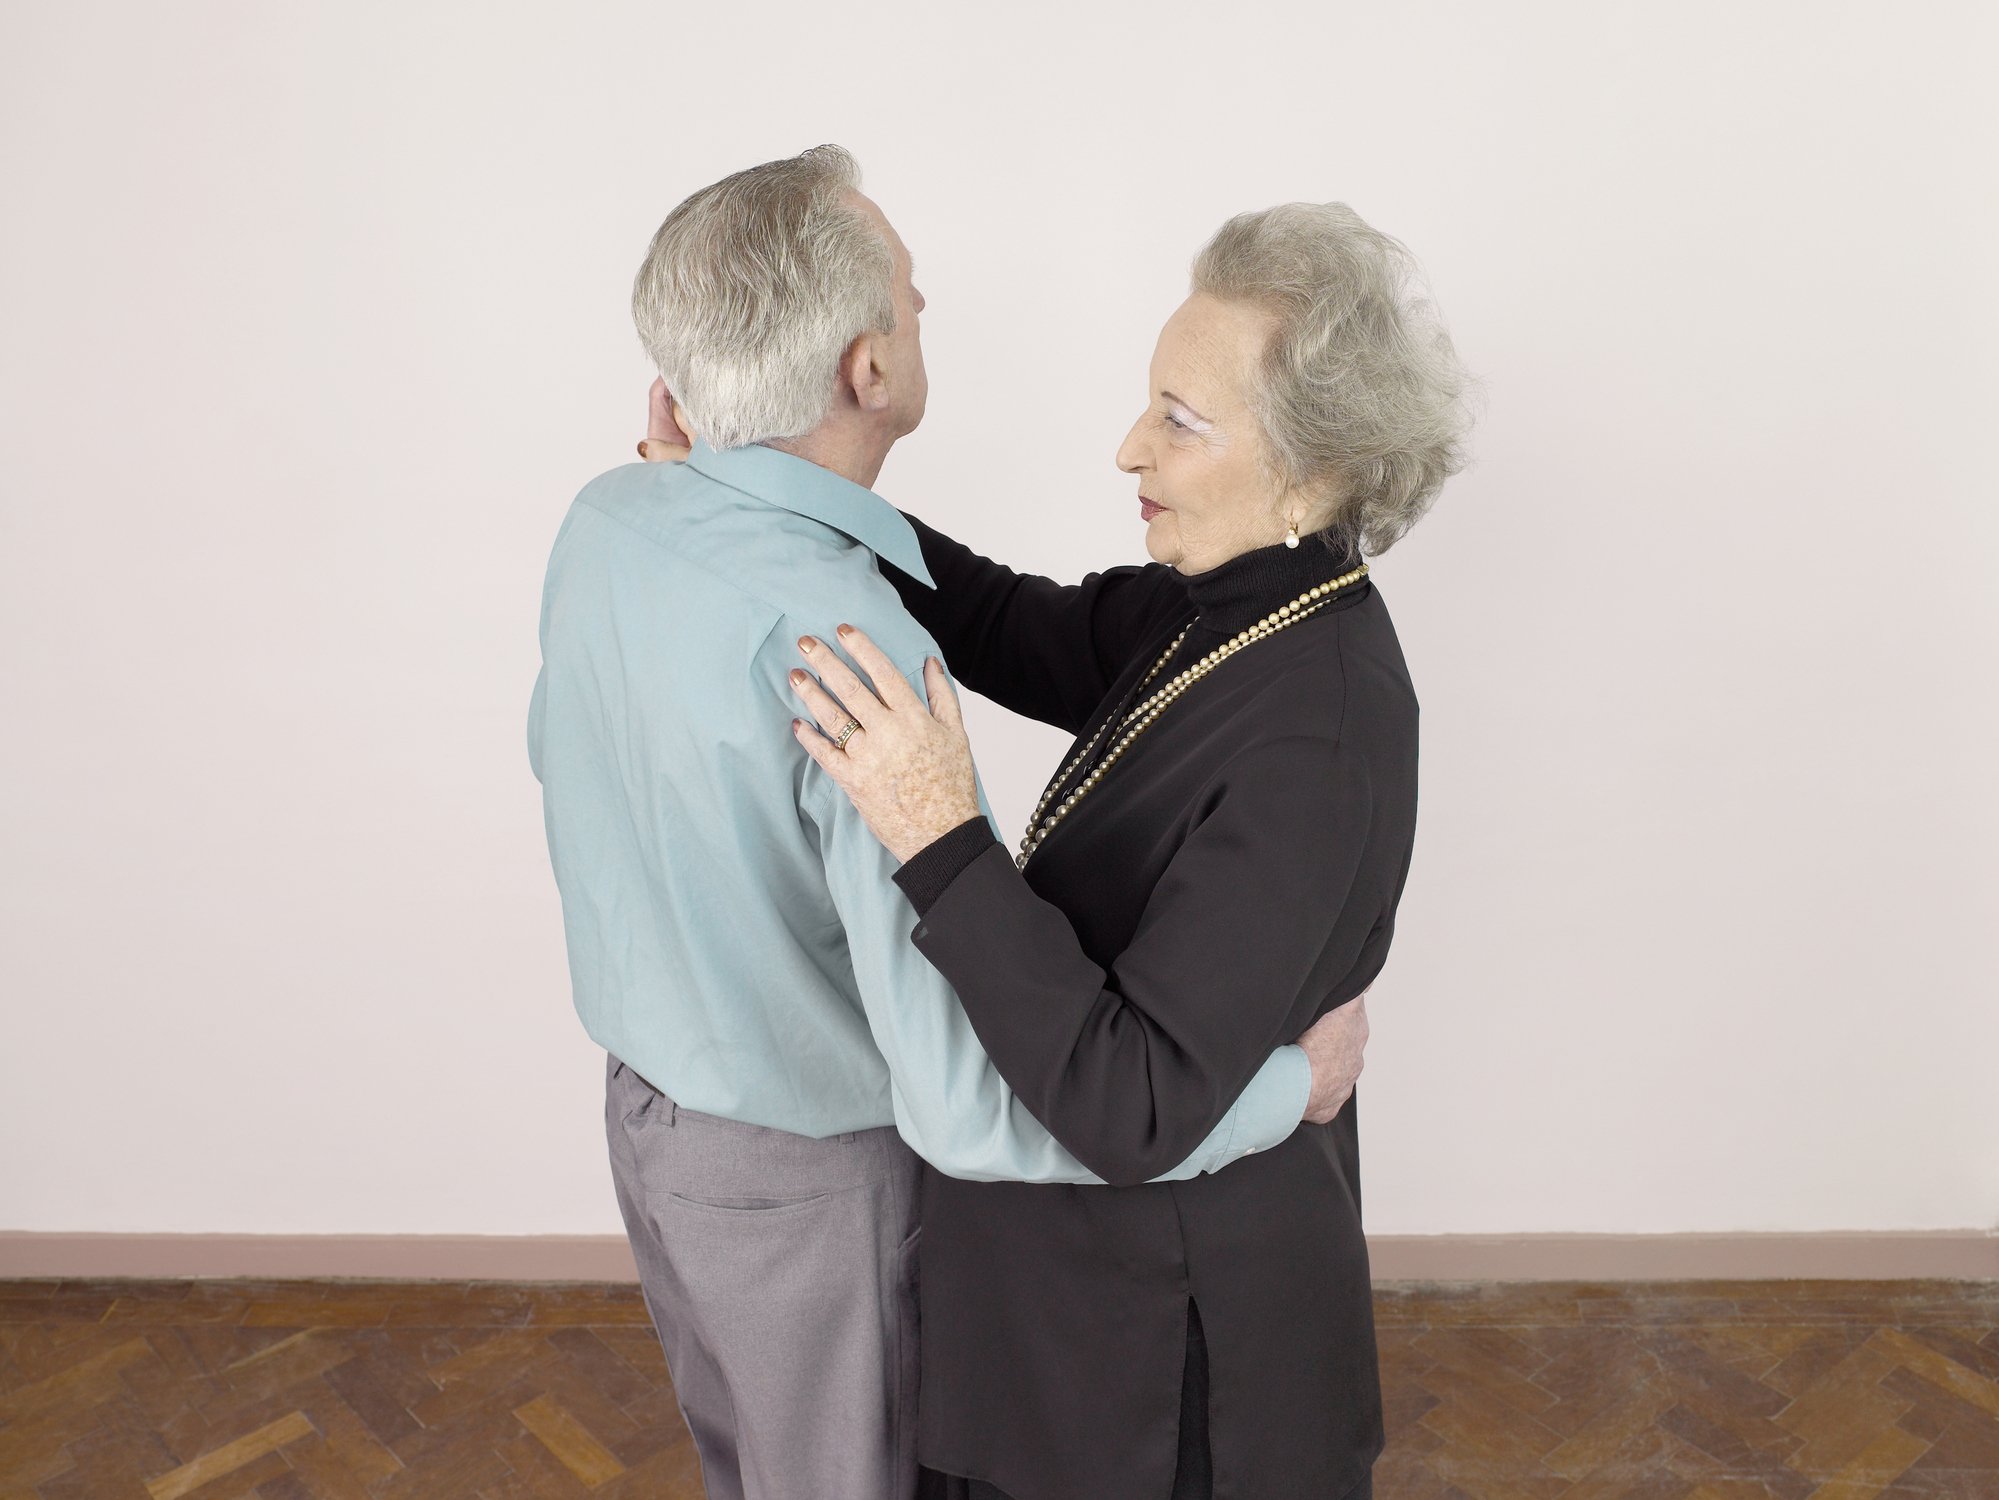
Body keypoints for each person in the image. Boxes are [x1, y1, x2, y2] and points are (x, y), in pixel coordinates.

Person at [529, 145, 1369, 1500]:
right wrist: (1292, 1092)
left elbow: (1015, 622)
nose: (927, 312)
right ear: (867, 370)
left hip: (653, 1138)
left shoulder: (614, 513)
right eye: (913, 298)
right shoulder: (856, 664)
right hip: (812, 1198)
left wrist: (751, 482)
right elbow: (972, 1109)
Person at [784, 201, 1470, 1499]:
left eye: (1182, 420)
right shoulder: (1221, 599)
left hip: (1168, 1369)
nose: (1128, 447)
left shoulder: (1318, 736)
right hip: (1079, 1313)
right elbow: (1002, 620)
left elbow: (1133, 1109)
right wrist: (791, 493)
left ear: (1315, 472)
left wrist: (936, 834)